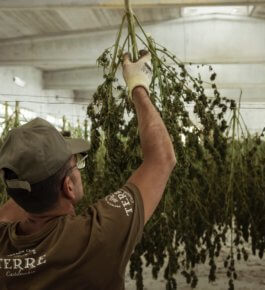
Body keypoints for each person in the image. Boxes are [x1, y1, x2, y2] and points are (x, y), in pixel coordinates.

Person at [0, 51, 176, 290]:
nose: (79, 170)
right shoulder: (95, 241)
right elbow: (162, 159)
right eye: (76, 164)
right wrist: (138, 86)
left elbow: (25, 193)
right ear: (68, 187)